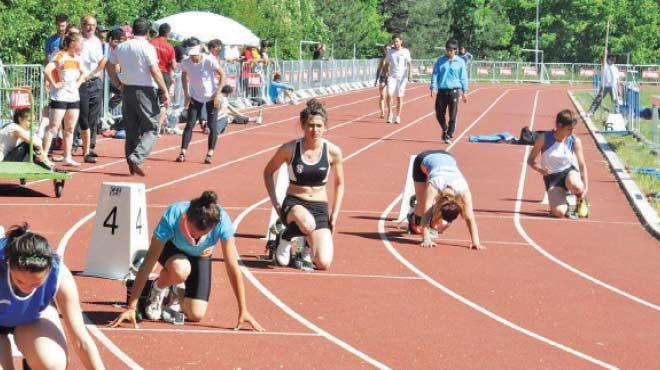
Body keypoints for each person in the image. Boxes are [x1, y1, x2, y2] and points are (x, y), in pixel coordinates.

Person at [109, 191, 264, 331]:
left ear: (213, 227)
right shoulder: (173, 215)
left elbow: (232, 266)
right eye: (193, 233)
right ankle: (156, 289)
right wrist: (131, 306)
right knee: (181, 269)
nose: (196, 239)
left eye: (202, 236)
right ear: (187, 218)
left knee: (196, 314)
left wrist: (243, 309)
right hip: (173, 250)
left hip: (201, 256)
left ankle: (175, 291)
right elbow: (149, 261)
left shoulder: (222, 222)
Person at [0, 224, 105, 369]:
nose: (26, 288)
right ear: (8, 264)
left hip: (31, 316)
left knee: (52, 364)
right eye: (19, 281)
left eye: (35, 284)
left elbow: (80, 339)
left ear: (49, 270)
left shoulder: (59, 275)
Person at [263, 99, 345, 271]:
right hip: (295, 204)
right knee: (307, 224)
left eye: (319, 125)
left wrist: (335, 213)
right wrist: (276, 204)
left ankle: (304, 249)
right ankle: (285, 236)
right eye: (310, 125)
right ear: (303, 125)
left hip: (319, 207)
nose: (315, 130)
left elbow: (339, 184)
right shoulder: (290, 149)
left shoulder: (333, 151)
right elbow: (268, 172)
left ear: (325, 127)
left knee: (323, 263)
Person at [107, 17, 170, 177]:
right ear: (147, 32)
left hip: (127, 90)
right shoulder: (147, 47)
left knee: (132, 128)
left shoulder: (122, 47)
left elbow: (110, 64)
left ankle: (131, 162)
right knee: (152, 127)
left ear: (133, 31)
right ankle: (137, 157)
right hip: (146, 90)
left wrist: (118, 81)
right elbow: (155, 70)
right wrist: (164, 89)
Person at [408, 150, 484, 249]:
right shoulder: (434, 185)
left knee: (430, 210)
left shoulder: (463, 189)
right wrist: (426, 239)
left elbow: (470, 217)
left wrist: (476, 242)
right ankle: (412, 217)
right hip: (423, 159)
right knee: (422, 204)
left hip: (447, 157)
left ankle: (434, 219)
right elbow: (426, 214)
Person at [527, 109, 589, 218]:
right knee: (559, 213)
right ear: (560, 125)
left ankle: (581, 200)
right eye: (569, 129)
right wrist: (540, 169)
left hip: (569, 173)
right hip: (552, 178)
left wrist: (585, 188)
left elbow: (582, 166)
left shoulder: (574, 140)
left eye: (573, 129)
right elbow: (530, 160)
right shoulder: (543, 138)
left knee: (577, 186)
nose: (572, 132)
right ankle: (563, 205)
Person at [42, 31, 89, 167]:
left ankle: (67, 157)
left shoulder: (77, 58)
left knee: (69, 129)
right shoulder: (60, 55)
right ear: (72, 43)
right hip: (60, 96)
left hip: (73, 97)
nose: (82, 45)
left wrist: (78, 83)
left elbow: (84, 72)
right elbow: (47, 70)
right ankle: (44, 156)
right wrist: (54, 83)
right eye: (80, 43)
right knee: (53, 128)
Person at [176, 45, 226, 164]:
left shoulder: (209, 60)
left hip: (211, 96)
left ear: (200, 53)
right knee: (190, 124)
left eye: (195, 56)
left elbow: (223, 75)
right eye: (192, 56)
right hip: (195, 96)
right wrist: (186, 94)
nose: (194, 59)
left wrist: (217, 94)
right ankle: (183, 152)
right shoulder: (186, 62)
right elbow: (183, 75)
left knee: (212, 125)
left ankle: (210, 153)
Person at [77, 16, 107, 164]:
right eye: (87, 25)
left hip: (95, 82)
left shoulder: (97, 42)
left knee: (93, 116)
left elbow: (102, 60)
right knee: (82, 116)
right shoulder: (77, 40)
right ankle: (78, 144)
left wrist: (96, 74)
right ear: (82, 25)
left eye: (93, 25)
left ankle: (89, 146)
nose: (90, 28)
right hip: (80, 82)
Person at [430, 39, 468, 144]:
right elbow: (435, 74)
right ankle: (445, 127)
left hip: (454, 91)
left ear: (455, 50)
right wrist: (433, 86)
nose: (449, 52)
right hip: (442, 90)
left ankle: (449, 134)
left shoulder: (460, 62)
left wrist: (465, 91)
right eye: (447, 50)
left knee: (453, 114)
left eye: (451, 50)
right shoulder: (440, 60)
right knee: (439, 113)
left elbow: (463, 77)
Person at [150, 23, 177, 130]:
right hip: (164, 74)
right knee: (163, 103)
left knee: (149, 100)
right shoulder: (169, 47)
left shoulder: (150, 43)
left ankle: (146, 127)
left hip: (151, 74)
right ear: (168, 33)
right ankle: (157, 128)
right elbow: (174, 65)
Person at [384, 35, 412, 124]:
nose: (395, 43)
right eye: (394, 42)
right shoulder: (390, 52)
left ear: (401, 41)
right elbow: (387, 63)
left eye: (397, 41)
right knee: (389, 94)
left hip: (402, 77)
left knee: (399, 97)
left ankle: (398, 116)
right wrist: (386, 72)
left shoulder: (405, 51)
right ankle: (390, 113)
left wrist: (410, 73)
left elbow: (409, 63)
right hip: (392, 76)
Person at [374, 45, 390, 118]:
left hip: (390, 78)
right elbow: (379, 70)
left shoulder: (393, 59)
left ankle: (390, 111)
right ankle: (382, 113)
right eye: (386, 49)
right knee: (382, 96)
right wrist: (376, 79)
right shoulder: (382, 60)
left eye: (388, 49)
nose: (387, 51)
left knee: (389, 96)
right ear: (384, 50)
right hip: (382, 78)